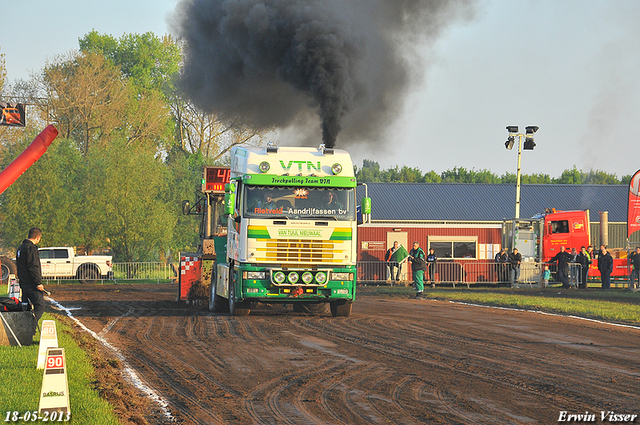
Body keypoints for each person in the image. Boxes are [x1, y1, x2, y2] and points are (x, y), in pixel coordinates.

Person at [16, 227, 46, 324]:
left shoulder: (21, 248)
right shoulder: (31, 248)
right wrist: (38, 282)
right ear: (38, 237)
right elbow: (33, 266)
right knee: (40, 306)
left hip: (23, 283)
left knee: (26, 307)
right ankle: (30, 325)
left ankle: (26, 331)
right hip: (31, 284)